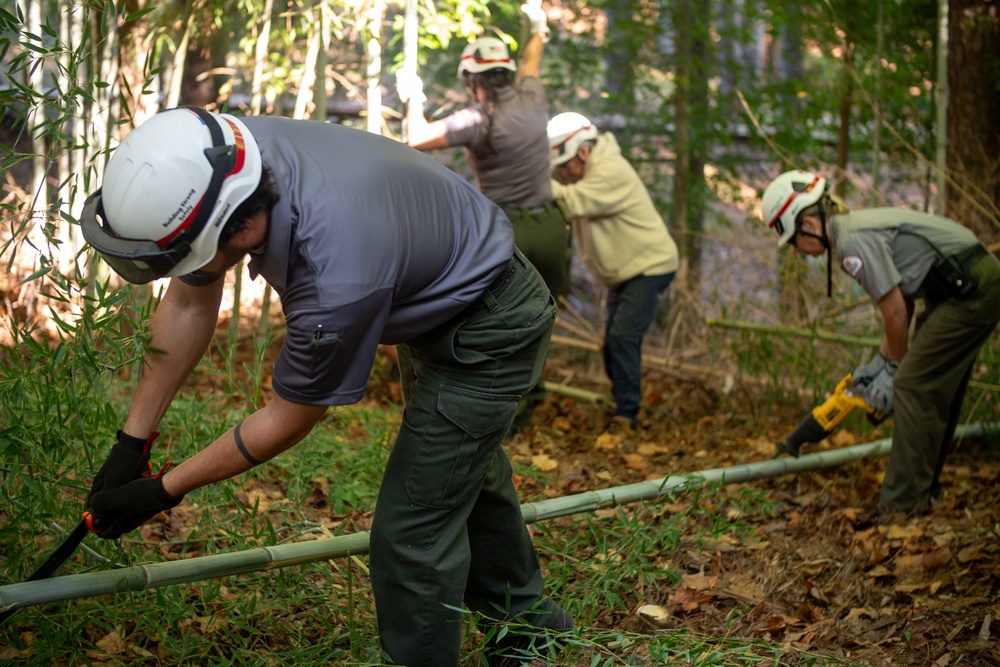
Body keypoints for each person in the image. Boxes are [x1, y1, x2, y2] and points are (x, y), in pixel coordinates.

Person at [80, 107, 573, 667]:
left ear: (237, 228)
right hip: (435, 288)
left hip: (489, 325)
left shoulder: (335, 276)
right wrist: (132, 442)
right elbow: (191, 300)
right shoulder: (222, 157)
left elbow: (290, 417)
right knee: (463, 473)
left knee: (412, 532)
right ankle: (533, 630)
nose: (178, 270)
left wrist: (163, 489)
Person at [761, 169, 1000, 517]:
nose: (797, 251)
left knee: (913, 385)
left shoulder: (850, 243)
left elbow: (895, 314)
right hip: (957, 287)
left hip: (972, 288)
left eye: (793, 241)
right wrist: (879, 364)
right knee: (929, 387)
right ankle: (924, 493)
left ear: (808, 224)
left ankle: (901, 507)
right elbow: (901, 302)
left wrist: (893, 370)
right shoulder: (851, 230)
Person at [396, 1, 572, 302]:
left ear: (472, 80)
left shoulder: (476, 119)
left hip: (507, 233)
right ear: (506, 73)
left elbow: (416, 137)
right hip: (551, 230)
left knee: (502, 317)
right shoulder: (532, 96)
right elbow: (531, 60)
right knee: (546, 311)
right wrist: (538, 31)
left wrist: (414, 98)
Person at [546, 112, 680, 432]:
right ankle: (622, 400)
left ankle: (626, 414)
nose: (564, 175)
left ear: (583, 151)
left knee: (622, 338)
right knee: (612, 343)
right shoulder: (590, 171)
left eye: (565, 167)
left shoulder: (610, 170)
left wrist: (530, 180)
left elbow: (573, 202)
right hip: (628, 270)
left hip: (650, 266)